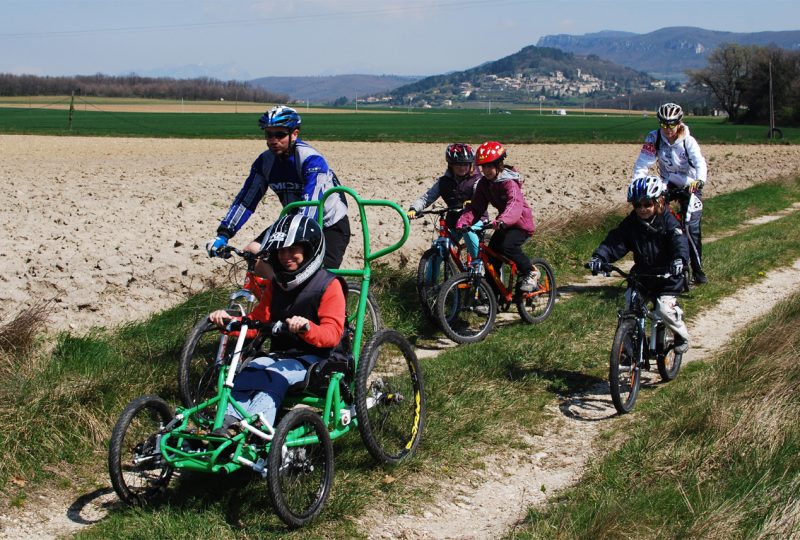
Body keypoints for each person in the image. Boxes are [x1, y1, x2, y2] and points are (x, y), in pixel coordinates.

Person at [208, 214, 346, 431]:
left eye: (293, 249)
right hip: (283, 355)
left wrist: (307, 328)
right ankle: (226, 426)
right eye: (281, 251)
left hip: (321, 359)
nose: (286, 256)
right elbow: (257, 323)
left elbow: (332, 335)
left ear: (310, 249)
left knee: (275, 376)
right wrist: (229, 323)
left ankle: (256, 430)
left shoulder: (329, 285)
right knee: (251, 369)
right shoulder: (277, 285)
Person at [206, 105, 351, 269]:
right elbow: (246, 201)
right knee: (253, 252)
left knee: (317, 275)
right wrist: (224, 234)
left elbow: (311, 204)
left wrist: (294, 241)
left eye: (280, 134)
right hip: (293, 221)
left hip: (329, 224)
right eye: (269, 134)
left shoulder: (311, 160)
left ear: (294, 134)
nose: (273, 140)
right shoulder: (265, 162)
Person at [587, 176, 691, 353]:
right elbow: (615, 242)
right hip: (642, 275)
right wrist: (600, 257)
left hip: (668, 276)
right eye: (637, 205)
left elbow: (679, 242)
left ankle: (680, 335)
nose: (642, 209)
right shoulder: (631, 223)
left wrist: (679, 260)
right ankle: (628, 350)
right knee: (629, 305)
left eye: (647, 204)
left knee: (665, 310)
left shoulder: (669, 222)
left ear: (658, 202)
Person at [632, 102, 709, 284]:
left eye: (672, 124)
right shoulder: (654, 138)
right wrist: (637, 185)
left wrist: (700, 181)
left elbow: (700, 162)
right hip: (667, 183)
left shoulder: (688, 141)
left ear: (679, 123)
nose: (668, 129)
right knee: (657, 220)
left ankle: (698, 271)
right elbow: (643, 164)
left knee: (691, 228)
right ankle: (660, 263)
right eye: (664, 124)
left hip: (690, 184)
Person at [455, 141, 538, 292]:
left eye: (489, 166)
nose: (486, 170)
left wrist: (502, 221)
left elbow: (514, 204)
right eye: (483, 167)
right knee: (491, 260)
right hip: (504, 224)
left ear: (498, 165)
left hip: (520, 225)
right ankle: (493, 298)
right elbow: (476, 207)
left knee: (507, 246)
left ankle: (530, 272)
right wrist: (463, 222)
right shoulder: (484, 184)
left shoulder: (509, 183)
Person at [406, 143, 485, 258]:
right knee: (438, 250)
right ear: (450, 165)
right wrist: (414, 208)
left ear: (471, 164)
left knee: (468, 231)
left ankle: (478, 264)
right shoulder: (444, 182)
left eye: (465, 164)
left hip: (475, 219)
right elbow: (427, 197)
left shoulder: (477, 180)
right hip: (453, 221)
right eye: (458, 164)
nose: (462, 168)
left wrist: (473, 202)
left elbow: (480, 196)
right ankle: (428, 277)